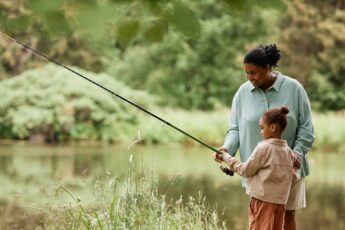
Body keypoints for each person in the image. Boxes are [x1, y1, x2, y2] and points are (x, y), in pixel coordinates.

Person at [217, 44, 314, 230]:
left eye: (253, 72)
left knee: (287, 215)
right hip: (257, 171)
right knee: (260, 217)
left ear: (268, 68)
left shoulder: (295, 89)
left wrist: (296, 154)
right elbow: (235, 129)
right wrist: (227, 148)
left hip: (288, 171)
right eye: (246, 73)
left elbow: (307, 129)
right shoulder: (242, 93)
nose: (249, 77)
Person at [215, 106, 297, 230]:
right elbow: (293, 177)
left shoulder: (263, 148)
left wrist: (227, 157)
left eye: (262, 128)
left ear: (273, 127)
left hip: (262, 201)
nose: (260, 131)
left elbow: (245, 170)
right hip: (280, 203)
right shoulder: (288, 152)